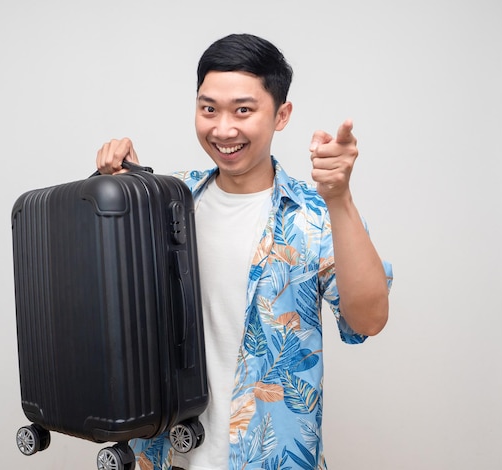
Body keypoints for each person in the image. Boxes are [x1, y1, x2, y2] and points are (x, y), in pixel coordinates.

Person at [96, 33, 392, 470]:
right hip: (162, 459)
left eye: (244, 110)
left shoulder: (315, 217)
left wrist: (340, 198)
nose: (223, 129)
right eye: (208, 108)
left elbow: (367, 321)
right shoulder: (167, 203)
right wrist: (127, 187)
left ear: (282, 114)